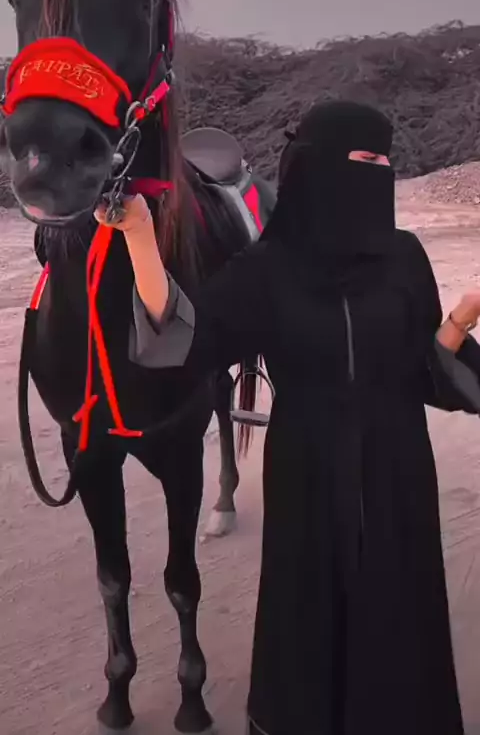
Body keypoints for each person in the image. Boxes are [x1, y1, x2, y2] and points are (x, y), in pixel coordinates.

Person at [96, 101, 480, 735]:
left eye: (385, 161)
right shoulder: (267, 268)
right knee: (308, 610)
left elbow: (424, 368)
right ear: (321, 168)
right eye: (366, 159)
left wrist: (462, 319)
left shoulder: (405, 256)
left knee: (398, 604)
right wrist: (139, 235)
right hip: (307, 468)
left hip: (398, 465)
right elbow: (186, 335)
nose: (380, 172)